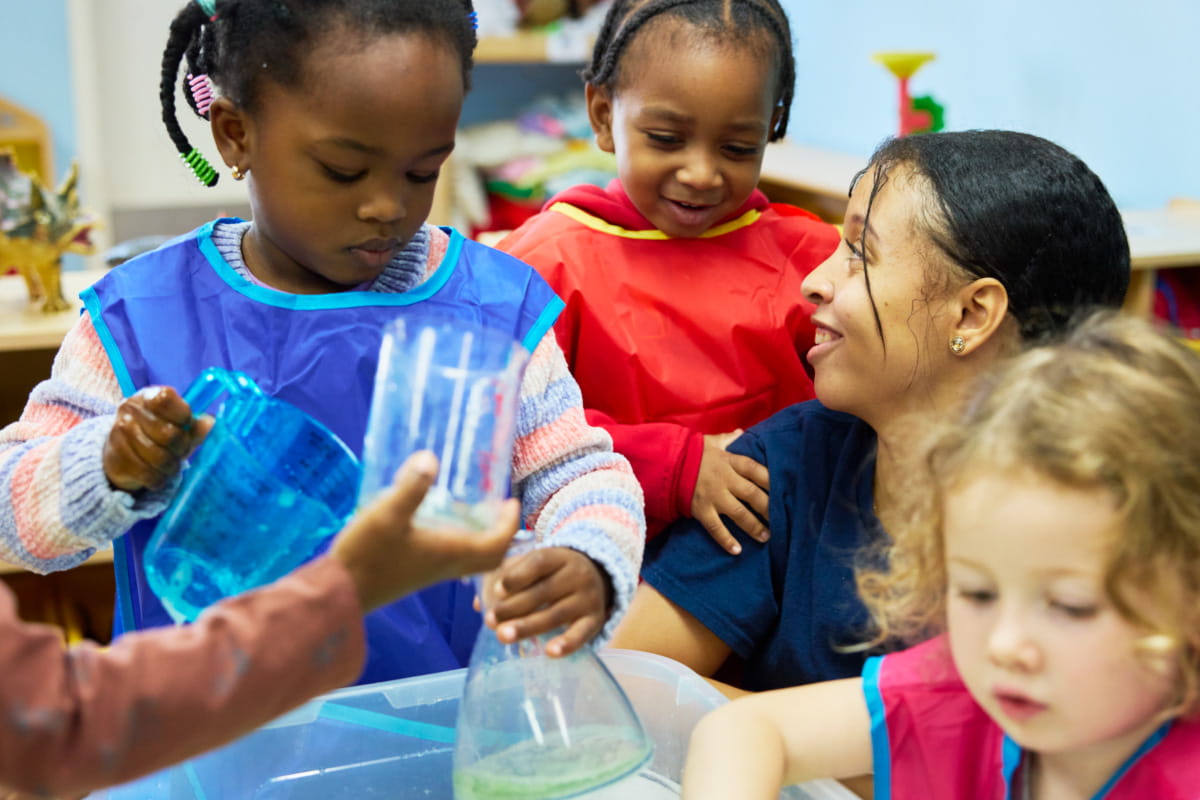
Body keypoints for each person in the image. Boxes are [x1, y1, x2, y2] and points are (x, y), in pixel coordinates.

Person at [0, 0, 644, 687]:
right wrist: (107, 465)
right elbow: (16, 518)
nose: (387, 207)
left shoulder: (490, 309)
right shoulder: (142, 319)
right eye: (343, 170)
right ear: (235, 134)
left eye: (422, 172)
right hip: (205, 735)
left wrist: (587, 559)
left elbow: (577, 473)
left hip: (430, 733)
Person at [611, 130, 1131, 696]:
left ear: (971, 314)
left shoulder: (1098, 534)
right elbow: (627, 682)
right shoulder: (779, 467)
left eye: (860, 254)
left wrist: (779, 733)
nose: (814, 282)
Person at [681, 312, 1200, 799]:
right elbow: (745, 729)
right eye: (976, 593)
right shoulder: (967, 691)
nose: (1004, 645)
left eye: (1070, 606)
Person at [497, 0, 839, 545]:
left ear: (772, 127)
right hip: (607, 553)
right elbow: (508, 426)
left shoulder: (812, 258)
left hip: (783, 550)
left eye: (737, 148)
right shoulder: (546, 264)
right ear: (603, 116)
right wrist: (674, 465)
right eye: (666, 138)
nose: (701, 174)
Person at [0, 451, 520, 798]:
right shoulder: (124, 332)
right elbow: (61, 717)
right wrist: (105, 463)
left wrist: (571, 553)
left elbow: (59, 718)